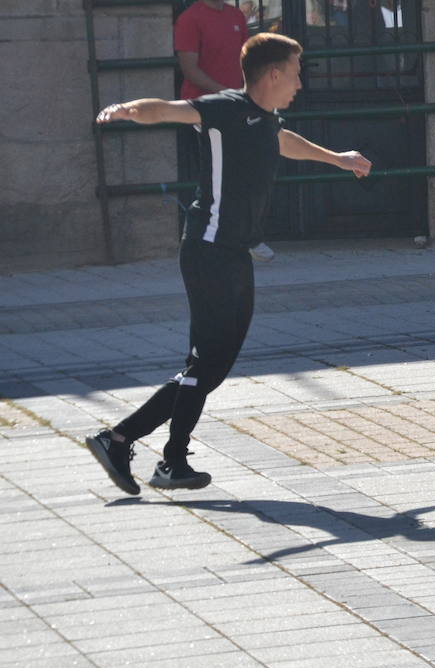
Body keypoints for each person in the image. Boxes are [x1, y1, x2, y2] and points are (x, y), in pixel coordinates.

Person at [85, 33, 373, 494]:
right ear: (274, 73)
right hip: (208, 249)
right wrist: (126, 109)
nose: (299, 83)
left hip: (235, 253)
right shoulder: (223, 108)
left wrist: (337, 159)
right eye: (296, 73)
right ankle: (167, 460)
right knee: (205, 363)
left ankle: (119, 440)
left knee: (211, 366)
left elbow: (283, 140)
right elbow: (164, 109)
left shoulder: (265, 118)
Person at [174, 0, 276, 263]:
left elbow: (246, 60)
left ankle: (248, 237)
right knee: (212, 179)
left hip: (239, 109)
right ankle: (207, 240)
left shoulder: (236, 18)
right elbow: (190, 70)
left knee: (250, 173)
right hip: (204, 111)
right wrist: (228, 94)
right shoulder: (189, 19)